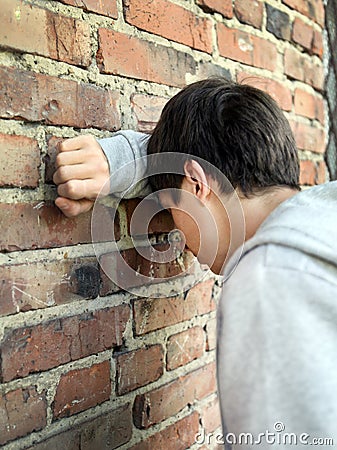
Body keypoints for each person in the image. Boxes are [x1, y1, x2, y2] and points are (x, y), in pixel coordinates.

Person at [53, 78, 337, 447]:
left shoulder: (270, 274)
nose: (184, 244)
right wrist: (130, 161)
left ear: (196, 184)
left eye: (171, 208)